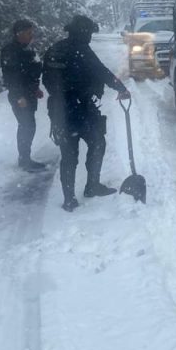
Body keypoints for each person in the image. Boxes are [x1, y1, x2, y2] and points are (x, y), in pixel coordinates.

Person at [42, 14, 130, 211]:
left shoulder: (54, 50)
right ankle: (92, 185)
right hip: (82, 110)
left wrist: (61, 95)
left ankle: (69, 199)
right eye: (89, 33)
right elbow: (102, 72)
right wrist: (121, 89)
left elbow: (46, 79)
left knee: (69, 154)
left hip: (60, 111)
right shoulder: (81, 50)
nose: (90, 37)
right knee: (97, 142)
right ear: (83, 33)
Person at [0, 18, 45, 171]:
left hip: (29, 94)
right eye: (28, 33)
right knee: (26, 125)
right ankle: (24, 159)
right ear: (18, 33)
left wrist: (36, 88)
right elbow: (11, 77)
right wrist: (20, 97)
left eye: (32, 32)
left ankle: (25, 157)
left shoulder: (29, 50)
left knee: (29, 125)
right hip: (19, 96)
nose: (31, 35)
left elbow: (32, 73)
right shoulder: (10, 51)